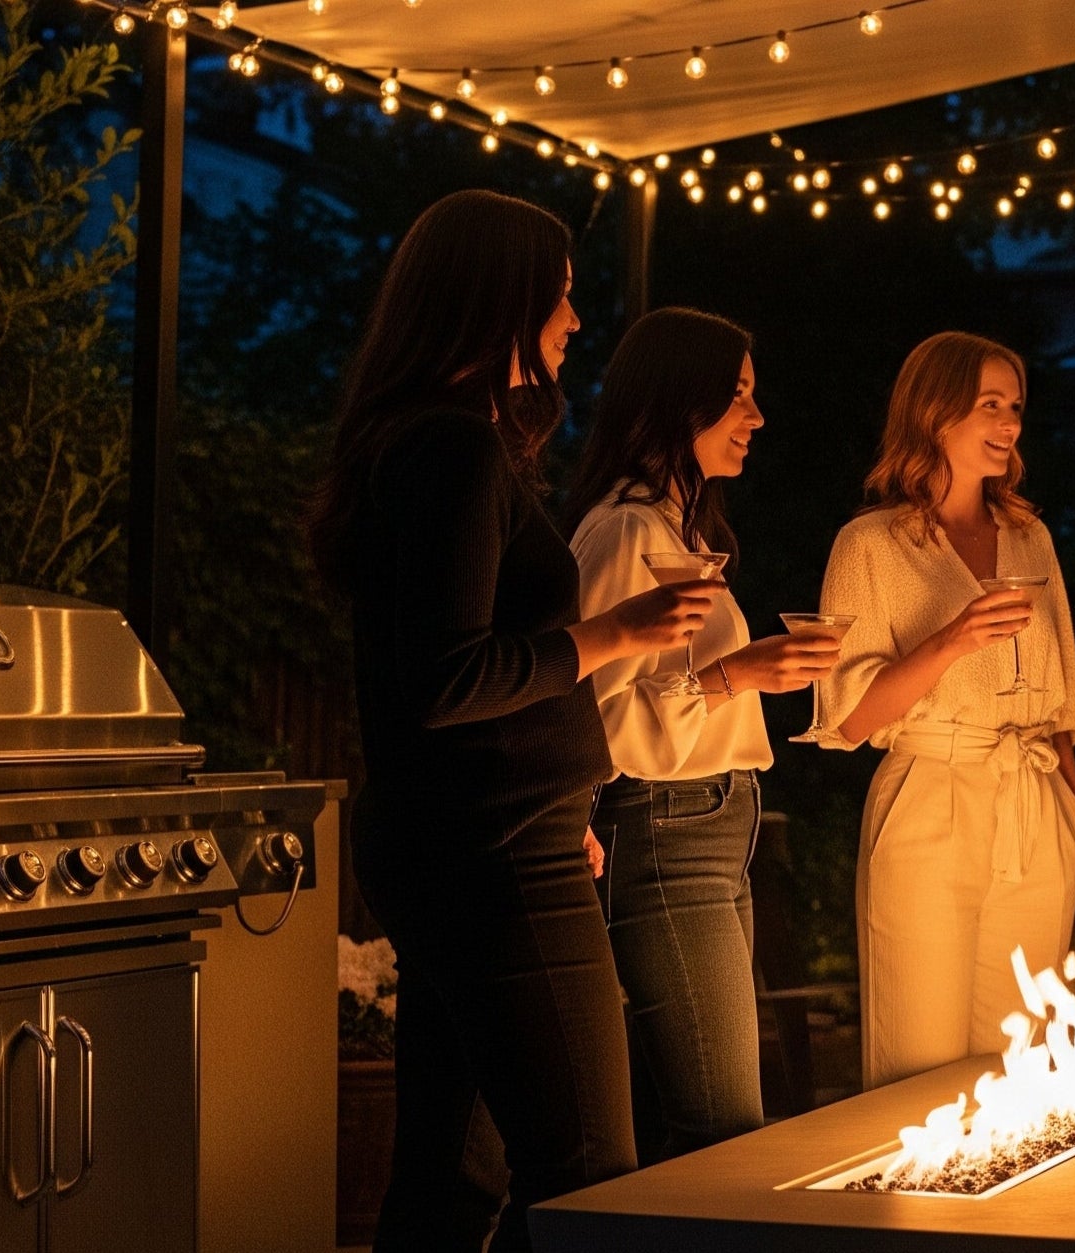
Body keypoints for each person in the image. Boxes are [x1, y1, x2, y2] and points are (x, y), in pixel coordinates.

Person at [306, 190, 721, 1251]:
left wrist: (557, 800)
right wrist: (616, 631)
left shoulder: (417, 442)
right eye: (563, 295)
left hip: (479, 840)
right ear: (504, 300)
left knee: (453, 1172)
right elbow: (446, 678)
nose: (574, 321)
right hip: (493, 859)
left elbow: (434, 692)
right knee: (588, 1171)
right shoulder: (452, 451)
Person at [562, 307, 837, 1160]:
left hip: (712, 830)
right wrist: (740, 673)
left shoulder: (682, 531)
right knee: (722, 1125)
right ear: (684, 401)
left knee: (703, 1117)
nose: (756, 418)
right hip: (665, 827)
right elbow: (591, 714)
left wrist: (754, 671)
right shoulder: (625, 531)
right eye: (739, 397)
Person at [817, 331, 1075, 1090]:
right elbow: (847, 720)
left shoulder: (1030, 537)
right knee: (919, 1058)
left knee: (1020, 1062)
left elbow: (1063, 692)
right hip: (930, 799)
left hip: (1034, 805)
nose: (1008, 424)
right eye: (989, 406)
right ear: (935, 414)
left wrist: (1072, 797)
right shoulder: (869, 545)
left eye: (1015, 407)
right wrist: (948, 642)